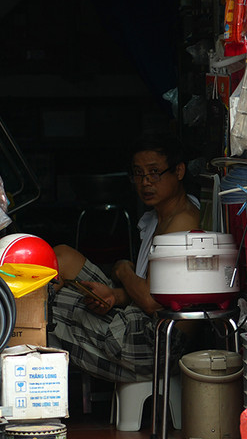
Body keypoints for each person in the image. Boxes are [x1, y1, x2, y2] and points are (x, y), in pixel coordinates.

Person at [47, 134, 201, 383]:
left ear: (179, 171)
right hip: (136, 316)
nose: (146, 182)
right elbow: (160, 293)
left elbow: (151, 301)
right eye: (138, 174)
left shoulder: (183, 221)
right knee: (62, 257)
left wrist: (122, 270)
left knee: (48, 304)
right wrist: (114, 295)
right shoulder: (159, 216)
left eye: (154, 172)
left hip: (156, 341)